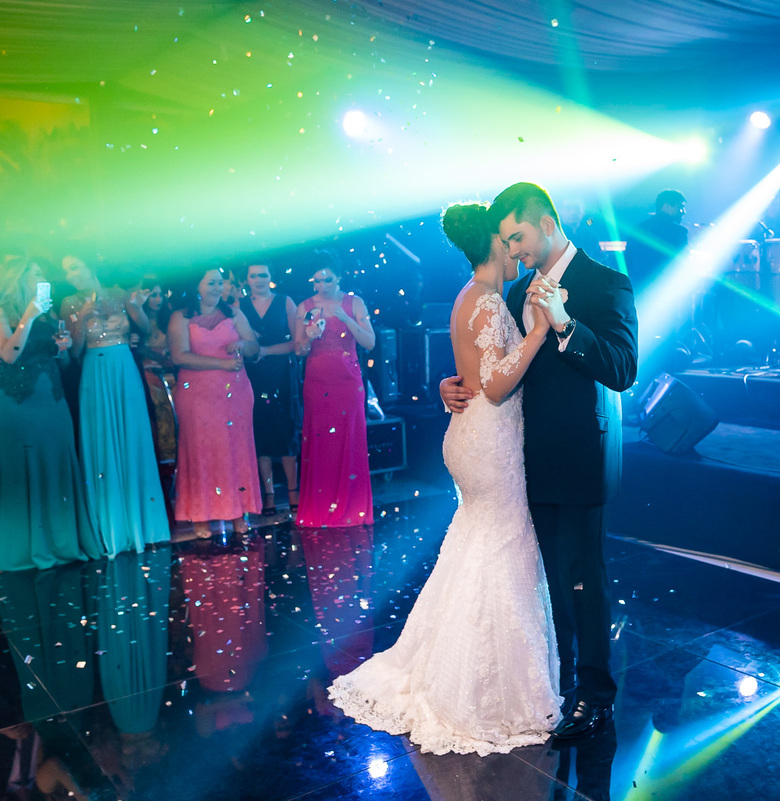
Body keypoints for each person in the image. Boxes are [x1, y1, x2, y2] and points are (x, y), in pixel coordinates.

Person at [330, 202, 560, 754]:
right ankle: (487, 691)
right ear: (497, 246)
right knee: (502, 548)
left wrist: (459, 380)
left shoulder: (474, 296)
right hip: (488, 441)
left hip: (478, 437)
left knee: (481, 548)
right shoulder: (484, 301)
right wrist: (538, 333)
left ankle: (465, 669)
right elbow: (498, 384)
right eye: (512, 244)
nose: (519, 253)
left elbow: (475, 373)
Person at [440, 182, 638, 739]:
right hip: (522, 460)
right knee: (547, 580)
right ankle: (558, 684)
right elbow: (495, 366)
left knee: (583, 578)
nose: (515, 250)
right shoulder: (515, 289)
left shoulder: (606, 282)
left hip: (580, 454)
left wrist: (567, 325)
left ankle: (596, 696)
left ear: (547, 222)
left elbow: (624, 370)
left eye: (519, 236)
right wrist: (454, 386)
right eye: (507, 241)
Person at [0, 258, 100, 571]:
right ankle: (25, 548)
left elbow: (60, 363)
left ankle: (62, 541)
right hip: (17, 403)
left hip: (52, 398)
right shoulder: (0, 313)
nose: (42, 279)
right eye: (36, 274)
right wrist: (27, 317)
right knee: (23, 468)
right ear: (20, 278)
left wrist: (63, 349)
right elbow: (8, 355)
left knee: (57, 464)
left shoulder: (48, 314)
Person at [61, 254, 171, 554]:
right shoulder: (70, 303)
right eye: (66, 271)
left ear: (89, 267)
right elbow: (74, 351)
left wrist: (135, 307)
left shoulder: (119, 295)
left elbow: (148, 330)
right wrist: (82, 317)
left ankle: (144, 524)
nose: (71, 275)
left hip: (124, 368)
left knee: (133, 438)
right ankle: (111, 527)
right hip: (95, 372)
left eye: (75, 267)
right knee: (103, 442)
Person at [167, 267, 262, 539]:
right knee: (201, 452)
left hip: (235, 392)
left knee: (234, 451)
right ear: (196, 285)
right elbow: (180, 356)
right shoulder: (181, 317)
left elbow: (254, 347)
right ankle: (200, 517)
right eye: (211, 283)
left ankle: (237, 513)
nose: (216, 288)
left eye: (220, 283)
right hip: (197, 393)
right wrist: (221, 362)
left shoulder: (233, 312)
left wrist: (243, 344)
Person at [293, 253, 375, 528]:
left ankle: (353, 507)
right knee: (320, 443)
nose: (322, 285)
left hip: (347, 382)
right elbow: (299, 350)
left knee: (349, 440)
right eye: (317, 281)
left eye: (327, 279)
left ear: (338, 278)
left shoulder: (354, 303)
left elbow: (370, 343)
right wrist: (309, 336)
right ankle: (321, 506)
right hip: (317, 382)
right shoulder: (305, 307)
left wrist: (346, 318)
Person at [239, 263, 300, 517]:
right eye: (253, 276)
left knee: (286, 432)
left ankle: (294, 492)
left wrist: (266, 350)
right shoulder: (238, 307)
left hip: (282, 372)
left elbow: (297, 343)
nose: (259, 279)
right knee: (260, 434)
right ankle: (269, 497)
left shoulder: (285, 302)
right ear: (247, 280)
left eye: (263, 275)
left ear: (270, 277)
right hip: (253, 375)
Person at [627, 189, 688, 289]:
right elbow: (680, 266)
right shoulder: (679, 231)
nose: (684, 212)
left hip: (638, 287)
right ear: (667, 206)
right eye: (681, 207)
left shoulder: (637, 229)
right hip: (665, 290)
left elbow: (628, 262)